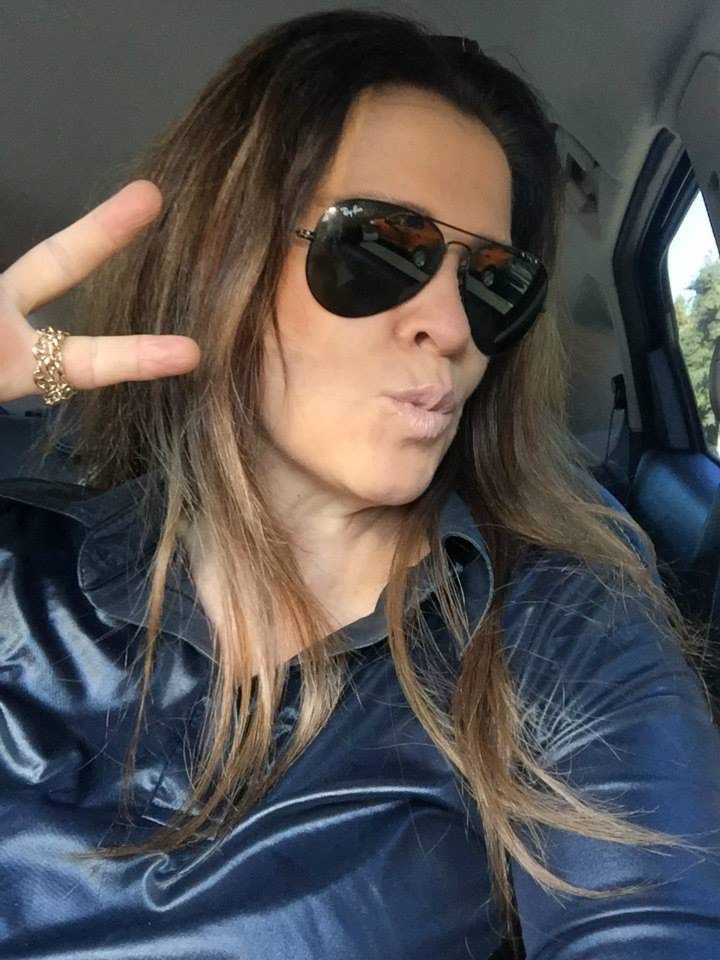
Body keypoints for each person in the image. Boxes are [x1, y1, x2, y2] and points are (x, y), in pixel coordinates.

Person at [0, 9, 719, 959]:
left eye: (493, 282)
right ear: (221, 253)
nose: (451, 328)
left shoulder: (557, 632)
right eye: (380, 245)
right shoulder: (21, 571)